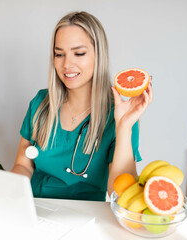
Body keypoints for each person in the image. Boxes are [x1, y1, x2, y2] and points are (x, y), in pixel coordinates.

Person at [11, 11, 153, 201]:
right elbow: (23, 164)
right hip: (35, 208)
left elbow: (118, 192)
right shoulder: (41, 103)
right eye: (59, 54)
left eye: (79, 53)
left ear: (98, 55)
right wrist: (8, 191)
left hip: (86, 216)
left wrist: (124, 126)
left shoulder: (119, 116)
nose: (67, 64)